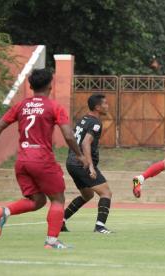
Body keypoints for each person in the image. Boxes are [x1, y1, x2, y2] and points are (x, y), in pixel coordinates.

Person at [0, 69, 88, 249]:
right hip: (42, 160)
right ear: (50, 86)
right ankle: (52, 242)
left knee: (37, 200)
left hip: (22, 161)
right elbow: (69, 136)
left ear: (30, 86)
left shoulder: (20, 106)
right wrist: (80, 155)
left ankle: (2, 211)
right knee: (58, 199)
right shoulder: (54, 107)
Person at [62, 94, 114, 234]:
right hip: (82, 164)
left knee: (87, 195)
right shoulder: (96, 122)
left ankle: (61, 220)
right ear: (98, 107)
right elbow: (85, 143)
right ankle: (100, 226)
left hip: (71, 162)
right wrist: (90, 166)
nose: (107, 106)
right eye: (105, 103)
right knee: (106, 193)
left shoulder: (83, 119)